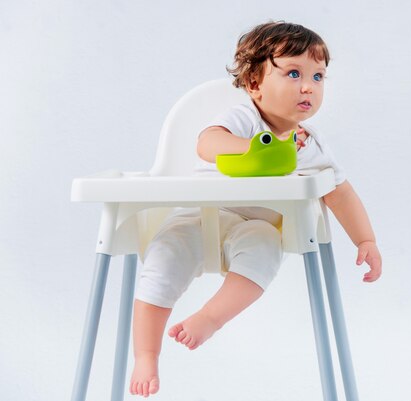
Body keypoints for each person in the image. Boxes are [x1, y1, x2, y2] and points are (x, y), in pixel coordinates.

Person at [129, 21, 382, 397]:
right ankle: (146, 355)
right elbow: (207, 143)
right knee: (163, 259)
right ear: (254, 84)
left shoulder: (310, 144)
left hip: (257, 225)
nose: (308, 86)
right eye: (294, 73)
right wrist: (251, 151)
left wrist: (366, 239)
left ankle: (211, 318)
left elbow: (339, 192)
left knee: (265, 248)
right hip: (202, 215)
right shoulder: (245, 117)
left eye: (318, 76)